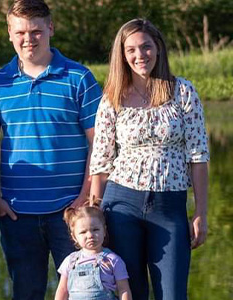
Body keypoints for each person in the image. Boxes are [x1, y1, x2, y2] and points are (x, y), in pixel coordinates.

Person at [0, 0, 103, 298]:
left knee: (82, 293)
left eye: (36, 31)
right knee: (26, 293)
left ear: (50, 28)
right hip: (17, 213)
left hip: (72, 213)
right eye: (20, 32)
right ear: (9, 33)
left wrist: (86, 196)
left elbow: (100, 144)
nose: (28, 39)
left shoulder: (79, 78)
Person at [89, 18, 210, 300]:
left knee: (173, 294)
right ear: (122, 55)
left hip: (169, 206)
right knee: (130, 293)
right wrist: (95, 216)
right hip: (121, 206)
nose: (140, 55)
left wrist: (201, 212)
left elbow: (198, 157)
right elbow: (101, 163)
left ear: (158, 48)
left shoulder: (183, 92)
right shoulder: (112, 98)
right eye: (130, 49)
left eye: (146, 47)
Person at [55, 198, 132, 300]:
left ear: (104, 231)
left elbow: (124, 289)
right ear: (74, 237)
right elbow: (62, 290)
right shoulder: (70, 261)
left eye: (95, 230)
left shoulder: (113, 260)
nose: (90, 235)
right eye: (83, 232)